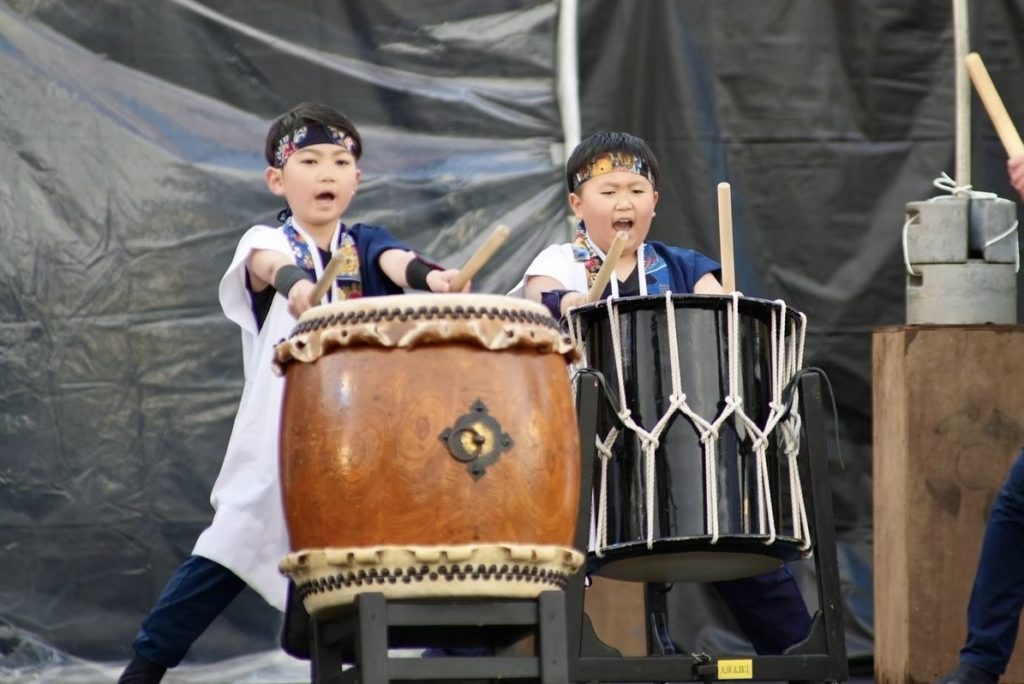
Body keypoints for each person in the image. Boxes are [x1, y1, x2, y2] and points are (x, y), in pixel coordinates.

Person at [118, 102, 464, 684]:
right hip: (281, 441)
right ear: (278, 179)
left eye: (340, 160)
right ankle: (145, 668)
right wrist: (298, 287)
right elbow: (266, 264)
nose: (327, 172)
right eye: (310, 160)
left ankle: (423, 659)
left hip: (357, 445)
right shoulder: (268, 239)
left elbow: (400, 263)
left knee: (358, 565)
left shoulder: (364, 244)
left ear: (358, 178)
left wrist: (437, 279)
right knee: (228, 549)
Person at [515, 130, 813, 655]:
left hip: (681, 446)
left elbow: (718, 312)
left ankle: (798, 650)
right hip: (591, 446)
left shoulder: (682, 266)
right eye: (607, 192)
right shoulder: (559, 260)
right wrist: (575, 301)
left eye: (635, 189)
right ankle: (474, 653)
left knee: (738, 541)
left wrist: (730, 309)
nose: (622, 202)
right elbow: (545, 298)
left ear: (654, 202)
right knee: (554, 564)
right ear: (576, 204)